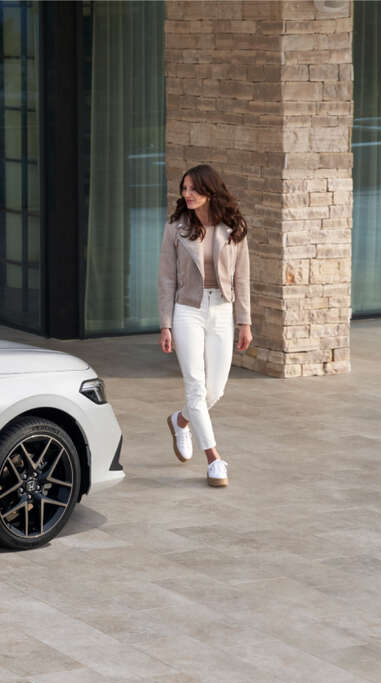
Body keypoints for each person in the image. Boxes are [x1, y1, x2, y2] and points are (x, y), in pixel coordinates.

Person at [158, 164, 252, 488]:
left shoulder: (234, 226)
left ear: (210, 190)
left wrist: (245, 322)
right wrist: (165, 325)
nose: (187, 194)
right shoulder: (175, 227)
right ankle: (214, 459)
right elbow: (167, 278)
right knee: (196, 387)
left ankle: (180, 419)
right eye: (184, 189)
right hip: (188, 311)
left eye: (193, 189)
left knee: (216, 390)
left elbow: (242, 277)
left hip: (222, 311)